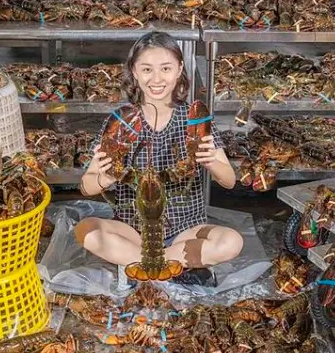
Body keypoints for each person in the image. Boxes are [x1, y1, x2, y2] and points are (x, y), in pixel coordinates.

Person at [75, 32, 244, 288]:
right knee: (85, 231)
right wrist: (106, 176)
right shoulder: (121, 121)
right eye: (146, 69)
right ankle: (175, 267)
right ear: (134, 71)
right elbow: (86, 186)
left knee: (232, 241)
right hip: (133, 231)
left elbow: (230, 181)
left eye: (165, 68)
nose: (156, 79)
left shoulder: (193, 118)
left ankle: (144, 265)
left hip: (184, 230)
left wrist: (211, 162)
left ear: (179, 70)